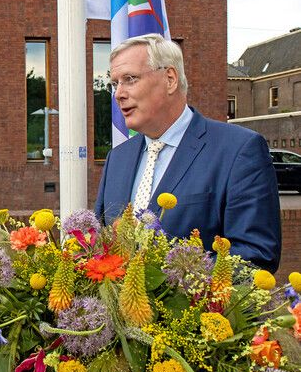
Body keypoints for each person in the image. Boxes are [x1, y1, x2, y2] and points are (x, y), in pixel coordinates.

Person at [95, 33, 281, 272]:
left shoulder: (238, 151)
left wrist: (169, 281)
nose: (118, 94)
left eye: (130, 79)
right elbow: (100, 247)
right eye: (114, 83)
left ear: (170, 79)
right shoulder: (117, 159)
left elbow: (257, 256)